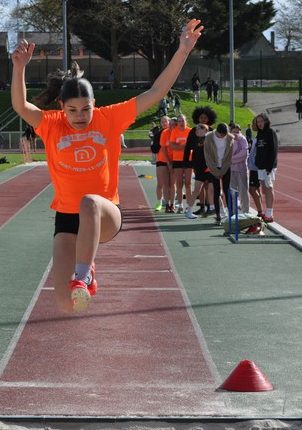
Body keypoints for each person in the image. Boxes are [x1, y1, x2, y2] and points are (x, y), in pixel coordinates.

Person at [10, 19, 204, 312]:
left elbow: (155, 92)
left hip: (105, 213)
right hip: (67, 217)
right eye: (72, 110)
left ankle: (84, 274)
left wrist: (183, 51)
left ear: (94, 103)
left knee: (89, 201)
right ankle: (83, 276)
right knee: (66, 305)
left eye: (85, 109)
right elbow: (21, 106)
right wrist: (19, 68)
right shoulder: (51, 124)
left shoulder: (109, 118)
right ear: (62, 108)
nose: (80, 116)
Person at [185, 105, 217, 216]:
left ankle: (213, 207)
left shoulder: (212, 132)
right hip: (198, 163)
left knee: (210, 186)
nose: (203, 119)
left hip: (209, 164)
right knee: (199, 187)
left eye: (205, 118)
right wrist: (187, 162)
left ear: (209, 119)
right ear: (197, 118)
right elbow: (188, 147)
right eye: (201, 117)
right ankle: (201, 207)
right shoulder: (193, 131)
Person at [203, 122, 234, 224]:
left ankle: (231, 214)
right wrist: (215, 171)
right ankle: (218, 215)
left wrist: (223, 170)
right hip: (213, 167)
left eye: (225, 135)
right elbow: (208, 156)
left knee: (227, 189)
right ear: (217, 132)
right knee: (216, 191)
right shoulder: (209, 138)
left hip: (225, 166)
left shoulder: (230, 138)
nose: (223, 136)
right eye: (221, 135)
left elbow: (229, 156)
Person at [253, 113, 278, 223]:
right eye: (258, 122)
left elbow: (273, 150)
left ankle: (269, 213)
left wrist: (269, 167)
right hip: (261, 166)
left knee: (269, 188)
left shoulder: (270, 132)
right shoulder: (259, 134)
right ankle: (267, 212)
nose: (259, 124)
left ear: (266, 122)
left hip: (268, 167)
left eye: (261, 121)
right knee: (264, 189)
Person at [169, 114, 191, 213]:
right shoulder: (175, 131)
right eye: (179, 121)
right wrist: (183, 146)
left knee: (188, 183)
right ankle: (180, 205)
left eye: (182, 121)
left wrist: (180, 147)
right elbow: (172, 146)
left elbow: (191, 145)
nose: (181, 123)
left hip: (188, 159)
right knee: (179, 183)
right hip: (177, 159)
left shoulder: (190, 131)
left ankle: (189, 206)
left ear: (186, 121)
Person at [229, 123, 250, 215]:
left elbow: (244, 154)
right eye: (233, 132)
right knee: (233, 192)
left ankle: (245, 212)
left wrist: (231, 160)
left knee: (243, 191)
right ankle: (233, 212)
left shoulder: (243, 139)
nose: (236, 134)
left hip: (241, 169)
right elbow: (227, 153)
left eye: (238, 132)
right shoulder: (228, 140)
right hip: (231, 169)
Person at [152, 116, 171, 211]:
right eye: (162, 121)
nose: (164, 123)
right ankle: (159, 202)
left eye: (166, 121)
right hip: (161, 160)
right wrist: (160, 143)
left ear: (169, 122)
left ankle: (171, 202)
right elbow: (154, 149)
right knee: (160, 183)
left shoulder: (173, 132)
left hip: (172, 160)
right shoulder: (158, 134)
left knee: (171, 184)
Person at [160, 117, 178, 213]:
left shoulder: (178, 133)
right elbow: (163, 149)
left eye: (173, 125)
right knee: (166, 183)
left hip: (175, 160)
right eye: (170, 124)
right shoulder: (165, 133)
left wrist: (173, 163)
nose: (171, 126)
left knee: (173, 183)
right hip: (165, 160)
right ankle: (167, 204)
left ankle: (172, 204)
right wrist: (168, 163)